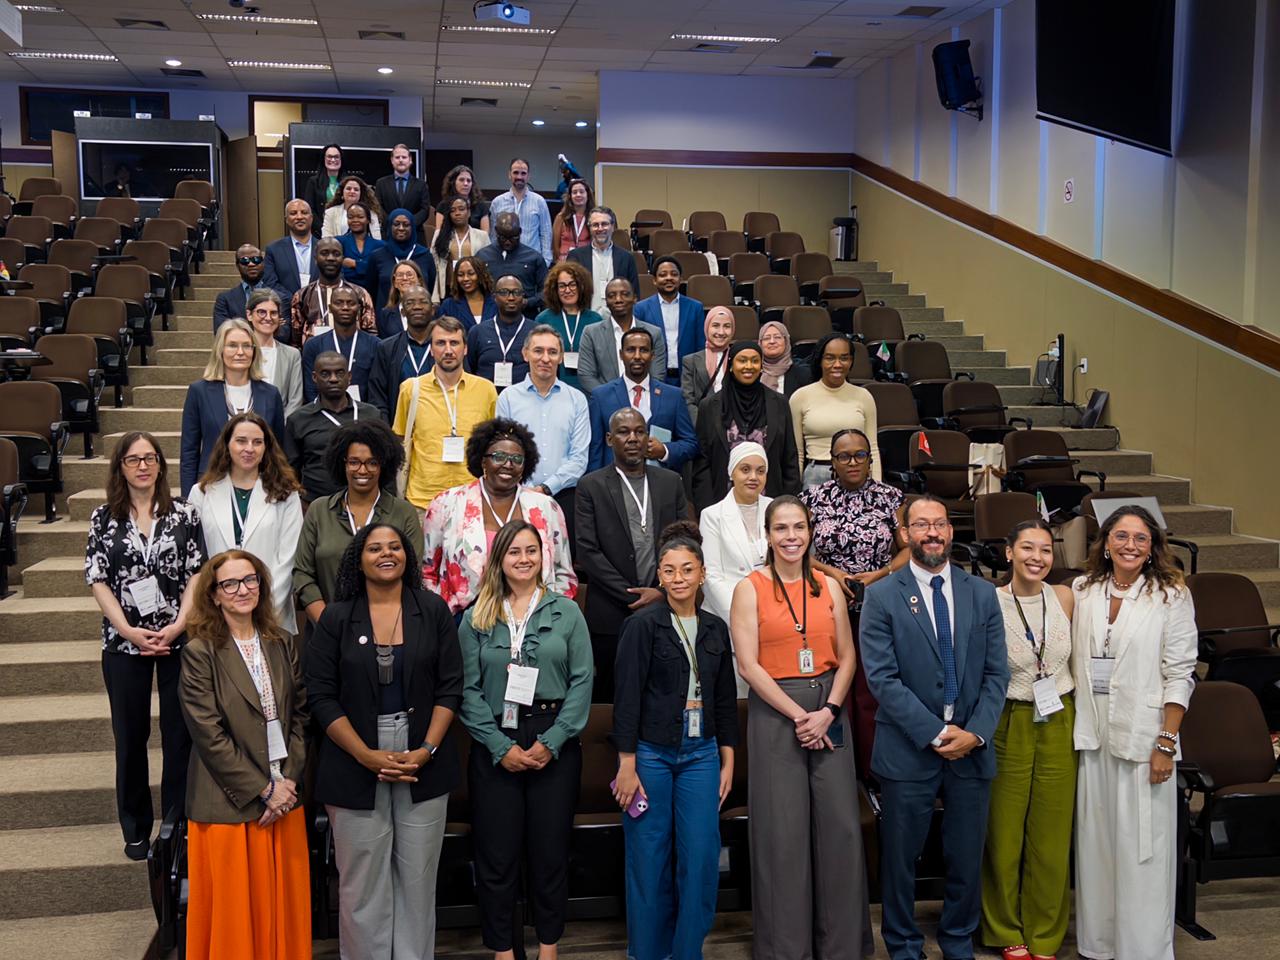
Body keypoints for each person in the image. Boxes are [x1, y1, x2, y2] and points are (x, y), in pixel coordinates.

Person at [858, 495, 1009, 960]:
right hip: (909, 749)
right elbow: (882, 678)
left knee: (965, 858)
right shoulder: (882, 595)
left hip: (971, 747)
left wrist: (976, 732)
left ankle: (958, 942)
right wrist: (934, 733)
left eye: (940, 523)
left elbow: (996, 674)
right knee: (901, 861)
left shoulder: (981, 593)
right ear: (904, 534)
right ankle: (903, 946)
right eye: (920, 524)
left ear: (951, 530)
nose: (933, 533)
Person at [305, 522, 462, 960]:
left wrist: (427, 749)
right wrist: (364, 754)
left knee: (417, 881)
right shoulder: (336, 617)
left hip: (422, 757)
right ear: (359, 558)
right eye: (375, 548)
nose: (386, 554)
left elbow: (451, 687)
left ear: (408, 557)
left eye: (395, 546)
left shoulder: (432, 611)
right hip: (353, 755)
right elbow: (320, 695)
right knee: (362, 884)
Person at [728, 495, 870, 960]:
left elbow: (847, 656)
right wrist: (798, 715)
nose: (791, 537)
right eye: (781, 528)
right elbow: (748, 666)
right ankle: (785, 949)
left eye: (799, 527)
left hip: (829, 707)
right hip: (776, 711)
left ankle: (843, 947)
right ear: (767, 536)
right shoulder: (749, 588)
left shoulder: (829, 587)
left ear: (810, 532)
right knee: (782, 835)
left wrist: (828, 709)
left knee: (841, 830)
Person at [457, 521, 593, 959]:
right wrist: (500, 747)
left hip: (553, 738)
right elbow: (466, 690)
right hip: (496, 741)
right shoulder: (476, 615)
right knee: (497, 856)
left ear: (543, 556)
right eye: (513, 551)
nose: (523, 559)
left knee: (550, 851)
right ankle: (502, 949)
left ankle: (548, 946)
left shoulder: (567, 612)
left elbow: (582, 682)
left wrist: (552, 741)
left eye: (531, 550)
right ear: (499, 560)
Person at [1071, 505, 1196, 960]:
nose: (1130, 545)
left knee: (1143, 852)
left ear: (1153, 547)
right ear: (1105, 542)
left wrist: (1166, 742)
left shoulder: (1172, 595)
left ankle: (1142, 950)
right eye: (1121, 536)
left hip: (1145, 740)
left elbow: (1181, 671)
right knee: (1097, 848)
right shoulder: (1083, 589)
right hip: (1092, 735)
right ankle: (1100, 945)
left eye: (1140, 538)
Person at [612, 521, 738, 960]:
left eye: (687, 569)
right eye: (669, 571)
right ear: (660, 577)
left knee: (701, 858)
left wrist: (728, 758)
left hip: (702, 755)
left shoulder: (715, 629)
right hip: (650, 755)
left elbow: (723, 698)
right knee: (649, 861)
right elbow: (625, 700)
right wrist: (626, 764)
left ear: (702, 573)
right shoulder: (643, 626)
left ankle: (687, 952)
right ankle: (646, 954)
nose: (679, 578)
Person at [180, 549, 310, 960]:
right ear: (214, 595)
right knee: (235, 921)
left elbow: (300, 718)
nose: (242, 590)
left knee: (285, 912)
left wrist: (285, 783)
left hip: (285, 797)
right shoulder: (200, 651)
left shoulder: (282, 642)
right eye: (230, 584)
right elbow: (208, 734)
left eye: (250, 580)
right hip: (229, 802)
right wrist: (262, 790)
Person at [85, 433, 204, 860]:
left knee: (179, 735)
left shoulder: (184, 515)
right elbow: (98, 580)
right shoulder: (103, 517)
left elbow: (196, 574)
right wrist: (129, 630)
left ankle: (175, 825)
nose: (142, 466)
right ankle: (134, 826)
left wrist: (177, 626)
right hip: (123, 642)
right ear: (120, 466)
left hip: (178, 637)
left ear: (160, 465)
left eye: (150, 458)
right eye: (133, 459)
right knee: (130, 735)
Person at [980, 520, 1076, 960]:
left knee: (1052, 835)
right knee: (1003, 832)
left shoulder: (1066, 597)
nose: (1037, 557)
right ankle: (1003, 928)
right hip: (1008, 718)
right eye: (1028, 549)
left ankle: (1045, 932)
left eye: (1046, 550)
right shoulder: (990, 602)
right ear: (1008, 553)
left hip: (1058, 717)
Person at [800, 427, 906, 777]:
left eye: (860, 454)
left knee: (869, 691)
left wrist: (878, 575)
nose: (852, 462)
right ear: (832, 462)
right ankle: (836, 770)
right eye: (843, 456)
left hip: (878, 605)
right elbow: (796, 549)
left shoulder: (890, 497)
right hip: (827, 605)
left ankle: (872, 772)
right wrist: (833, 574)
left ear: (870, 459)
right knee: (833, 689)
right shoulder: (813, 498)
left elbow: (909, 549)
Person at [575, 408, 688, 702]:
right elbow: (587, 551)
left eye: (640, 431)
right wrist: (634, 595)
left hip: (665, 607)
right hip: (610, 614)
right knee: (612, 698)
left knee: (663, 696)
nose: (633, 438)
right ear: (610, 439)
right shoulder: (591, 485)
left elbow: (682, 545)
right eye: (624, 432)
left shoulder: (670, 481)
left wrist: (661, 591)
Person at [421, 417, 576, 615]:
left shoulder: (546, 507)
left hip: (534, 617)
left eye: (517, 459)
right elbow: (428, 572)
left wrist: (554, 616)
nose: (508, 464)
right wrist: (439, 617)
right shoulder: (447, 503)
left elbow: (564, 572)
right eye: (499, 456)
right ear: (482, 460)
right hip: (463, 617)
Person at [294, 420, 423, 627]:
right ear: (342, 463)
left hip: (388, 630)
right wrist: (329, 624)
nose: (362, 470)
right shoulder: (319, 510)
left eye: (372, 462)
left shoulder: (403, 513)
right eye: (354, 462)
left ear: (384, 465)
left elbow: (412, 574)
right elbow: (303, 574)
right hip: (327, 628)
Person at [186, 412, 305, 633]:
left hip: (271, 613)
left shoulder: (286, 494)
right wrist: (222, 603)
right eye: (241, 441)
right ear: (227, 445)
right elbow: (196, 558)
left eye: (257, 442)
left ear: (266, 448)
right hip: (216, 613)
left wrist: (261, 606)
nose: (249, 449)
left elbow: (289, 558)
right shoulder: (202, 492)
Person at [393, 314, 498, 511]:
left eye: (454, 343)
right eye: (441, 343)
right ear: (431, 349)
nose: (448, 350)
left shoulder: (486, 390)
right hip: (422, 501)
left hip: (472, 500)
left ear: (465, 348)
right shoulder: (411, 389)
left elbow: (493, 443)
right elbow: (401, 438)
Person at [495, 324, 590, 540]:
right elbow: (503, 451)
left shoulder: (577, 400)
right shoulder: (508, 398)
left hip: (564, 496)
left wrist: (547, 488)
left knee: (562, 565)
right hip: (517, 496)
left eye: (552, 352)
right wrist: (527, 490)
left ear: (561, 357)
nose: (545, 358)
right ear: (525, 354)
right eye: (538, 351)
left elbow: (579, 458)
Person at [180, 318, 286, 495]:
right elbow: (189, 451)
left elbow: (278, 449)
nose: (240, 352)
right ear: (220, 350)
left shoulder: (271, 394)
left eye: (246, 346)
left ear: (254, 351)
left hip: (260, 486)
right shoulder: (199, 391)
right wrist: (187, 499)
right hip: (211, 485)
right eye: (232, 345)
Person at [692, 340, 800, 512]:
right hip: (722, 504)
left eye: (755, 361)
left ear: (761, 366)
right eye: (742, 360)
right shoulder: (710, 406)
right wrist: (706, 508)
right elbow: (702, 463)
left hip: (770, 503)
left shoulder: (779, 403)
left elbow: (789, 459)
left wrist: (787, 505)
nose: (749, 366)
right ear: (731, 365)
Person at [699, 442, 770, 697]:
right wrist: (745, 620)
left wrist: (769, 617)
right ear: (731, 472)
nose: (753, 477)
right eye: (745, 469)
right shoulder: (712, 515)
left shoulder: (776, 509)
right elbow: (711, 577)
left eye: (760, 471)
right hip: (726, 620)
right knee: (734, 702)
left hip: (772, 620)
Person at [587, 326, 696, 472]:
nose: (637, 356)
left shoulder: (673, 396)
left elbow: (691, 443)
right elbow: (595, 448)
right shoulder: (601, 396)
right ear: (621, 354)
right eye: (631, 350)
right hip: (614, 484)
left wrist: (664, 450)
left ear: (652, 355)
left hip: (659, 483)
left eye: (643, 350)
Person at [286, 351, 384, 503]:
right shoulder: (298, 419)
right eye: (325, 374)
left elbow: (386, 461)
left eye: (339, 373)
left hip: (367, 503)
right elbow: (291, 471)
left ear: (349, 377)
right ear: (314, 377)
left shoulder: (371, 414)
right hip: (314, 505)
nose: (333, 379)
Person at [790, 332, 881, 486]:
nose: (837, 364)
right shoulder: (800, 397)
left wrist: (876, 485)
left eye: (844, 358)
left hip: (857, 474)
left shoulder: (864, 396)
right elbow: (797, 453)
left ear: (851, 361)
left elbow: (872, 448)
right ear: (820, 361)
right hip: (816, 475)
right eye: (830, 358)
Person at [577, 278, 667, 394]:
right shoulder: (591, 332)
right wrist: (611, 398)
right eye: (612, 295)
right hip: (607, 404)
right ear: (606, 302)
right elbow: (586, 376)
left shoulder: (654, 333)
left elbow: (657, 375)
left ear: (635, 298)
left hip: (645, 401)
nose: (618, 299)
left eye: (624, 294)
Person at [289, 237, 378, 344]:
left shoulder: (359, 293)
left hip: (353, 356)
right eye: (324, 253)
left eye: (336, 254)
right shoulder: (302, 295)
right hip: (314, 356)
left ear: (343, 259)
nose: (331, 258)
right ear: (315, 258)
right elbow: (296, 338)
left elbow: (371, 334)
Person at [301, 284, 379, 405]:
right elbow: (310, 390)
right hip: (323, 417)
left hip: (365, 416)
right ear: (330, 308)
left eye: (350, 303)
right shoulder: (313, 345)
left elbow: (378, 390)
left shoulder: (376, 345)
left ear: (359, 308)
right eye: (339, 303)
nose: (345, 307)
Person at [634, 256, 705, 386]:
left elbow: (700, 345)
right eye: (662, 274)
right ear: (654, 280)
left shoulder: (695, 307)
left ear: (680, 279)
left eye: (674, 274)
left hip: (688, 378)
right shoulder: (641, 308)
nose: (669, 278)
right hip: (654, 376)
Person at [535, 259, 603, 392]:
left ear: (581, 286)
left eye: (572, 285)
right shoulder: (543, 319)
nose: (567, 290)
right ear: (555, 290)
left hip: (589, 389)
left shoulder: (595, 319)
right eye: (562, 286)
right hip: (553, 390)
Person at [369, 285, 435, 419]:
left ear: (433, 310)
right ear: (403, 311)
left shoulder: (447, 346)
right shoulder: (386, 348)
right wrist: (388, 435)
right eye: (410, 303)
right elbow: (378, 397)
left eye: (423, 302)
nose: (417, 307)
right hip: (398, 427)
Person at [568, 206, 640, 313]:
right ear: (589, 228)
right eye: (595, 225)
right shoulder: (576, 257)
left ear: (613, 226)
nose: (600, 228)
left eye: (605, 224)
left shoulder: (626, 257)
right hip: (586, 318)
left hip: (618, 319)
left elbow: (635, 294)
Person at [476, 212, 548, 317]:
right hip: (490, 315)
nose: (508, 242)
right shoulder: (482, 256)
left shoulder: (534, 257)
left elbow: (547, 291)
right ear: (496, 231)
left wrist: (528, 302)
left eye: (513, 237)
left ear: (520, 232)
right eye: (503, 237)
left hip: (526, 315)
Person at [467, 275, 533, 389]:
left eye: (516, 292)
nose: (511, 298)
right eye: (504, 292)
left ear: (523, 297)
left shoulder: (536, 332)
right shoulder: (478, 332)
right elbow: (470, 370)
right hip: (486, 400)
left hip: (525, 400)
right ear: (495, 297)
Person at [246, 289, 303, 416]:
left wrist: (279, 428)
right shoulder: (240, 352)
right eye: (261, 312)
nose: (268, 318)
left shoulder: (292, 355)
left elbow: (295, 400)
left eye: (273, 313)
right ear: (249, 315)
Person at [369, 208, 437, 313]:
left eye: (406, 225)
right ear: (389, 226)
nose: (401, 228)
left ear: (413, 227)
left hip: (419, 315)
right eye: (396, 224)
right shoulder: (377, 256)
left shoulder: (425, 255)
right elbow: (372, 288)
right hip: (386, 317)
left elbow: (429, 286)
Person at [489, 157, 552, 264]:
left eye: (523, 173)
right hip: (504, 260)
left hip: (532, 261)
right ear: (509, 174)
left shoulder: (539, 201)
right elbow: (493, 235)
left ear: (528, 176)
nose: (519, 176)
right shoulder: (497, 202)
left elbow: (546, 233)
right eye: (515, 173)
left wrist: (545, 261)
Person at [263, 198, 318, 319]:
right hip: (286, 312)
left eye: (304, 212)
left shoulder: (324, 248)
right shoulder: (273, 249)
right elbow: (270, 283)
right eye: (293, 213)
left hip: (319, 311)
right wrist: (295, 300)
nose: (299, 217)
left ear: (311, 217)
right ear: (287, 220)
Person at [430, 194, 491, 303]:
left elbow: (487, 266)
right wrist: (434, 298)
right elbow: (434, 266)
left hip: (474, 287)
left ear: (469, 212)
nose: (457, 213)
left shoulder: (482, 236)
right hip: (448, 287)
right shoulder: (440, 235)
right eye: (453, 210)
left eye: (461, 209)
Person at [680, 305, 735, 424]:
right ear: (706, 328)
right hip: (702, 426)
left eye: (727, 326)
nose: (721, 332)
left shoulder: (738, 359)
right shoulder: (691, 361)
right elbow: (688, 400)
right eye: (715, 326)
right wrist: (702, 428)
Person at [374, 143, 433, 241]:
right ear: (392, 161)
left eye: (404, 157)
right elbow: (378, 207)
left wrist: (408, 224)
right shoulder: (381, 183)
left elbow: (425, 210)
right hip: (389, 234)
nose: (401, 160)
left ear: (410, 160)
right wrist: (393, 223)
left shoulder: (421, 184)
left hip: (415, 234)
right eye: (397, 157)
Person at [212, 243, 272, 331]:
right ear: (237, 265)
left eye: (256, 259)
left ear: (263, 263)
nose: (251, 264)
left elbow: (283, 334)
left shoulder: (279, 296)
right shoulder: (225, 299)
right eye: (245, 260)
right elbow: (221, 333)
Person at [337, 201, 385, 300]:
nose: (355, 220)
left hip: (374, 296)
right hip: (345, 296)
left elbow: (380, 271)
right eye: (350, 217)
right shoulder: (338, 242)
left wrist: (355, 264)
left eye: (360, 217)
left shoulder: (381, 246)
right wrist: (367, 267)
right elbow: (339, 271)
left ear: (368, 220)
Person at [437, 254, 497, 332]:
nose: (465, 279)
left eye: (471, 274)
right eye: (460, 275)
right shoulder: (448, 305)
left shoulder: (496, 302)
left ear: (480, 275)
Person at [378, 259, 431, 338]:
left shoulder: (433, 311)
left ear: (419, 280)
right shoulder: (385, 314)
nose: (405, 278)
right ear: (395, 283)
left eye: (409, 275)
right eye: (400, 275)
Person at [758, 321, 811, 398]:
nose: (772, 341)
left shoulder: (803, 375)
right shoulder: (753, 373)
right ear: (760, 343)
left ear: (786, 341)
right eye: (766, 338)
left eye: (777, 337)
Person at [433, 164, 490, 234]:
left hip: (476, 244)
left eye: (469, 181)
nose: (466, 183)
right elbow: (439, 233)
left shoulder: (481, 206)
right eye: (461, 180)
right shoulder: (443, 205)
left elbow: (485, 235)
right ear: (453, 182)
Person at [323, 175, 384, 240]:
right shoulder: (330, 212)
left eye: (356, 189)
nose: (352, 191)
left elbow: (377, 239)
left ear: (361, 194)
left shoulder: (371, 213)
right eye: (348, 188)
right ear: (342, 192)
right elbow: (326, 238)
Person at [303, 143, 345, 237]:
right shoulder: (313, 182)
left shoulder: (348, 182)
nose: (333, 160)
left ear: (341, 159)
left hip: (345, 232)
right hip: (320, 233)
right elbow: (310, 210)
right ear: (324, 159)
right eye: (329, 156)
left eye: (336, 157)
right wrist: (324, 229)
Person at [551, 177, 593, 259]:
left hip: (586, 261)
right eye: (574, 192)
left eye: (581, 192)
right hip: (564, 261)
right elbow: (555, 245)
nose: (578, 195)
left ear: (587, 195)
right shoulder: (561, 217)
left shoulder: (593, 217)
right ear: (570, 196)